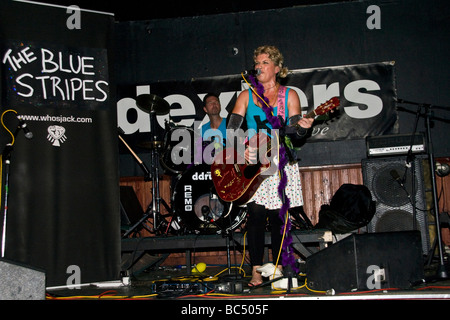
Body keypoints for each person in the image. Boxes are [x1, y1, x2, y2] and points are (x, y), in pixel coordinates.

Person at [226, 45, 314, 286]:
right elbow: (231, 129)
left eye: (264, 62)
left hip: (281, 162)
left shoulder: (290, 96)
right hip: (253, 164)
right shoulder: (246, 95)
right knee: (255, 216)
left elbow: (295, 135)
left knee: (279, 218)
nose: (259, 67)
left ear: (277, 68)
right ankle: (256, 270)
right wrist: (240, 148)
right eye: (257, 63)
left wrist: (303, 129)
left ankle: (275, 269)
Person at [200, 93, 227, 163]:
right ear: (205, 109)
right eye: (210, 103)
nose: (214, 105)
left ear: (220, 106)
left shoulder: (230, 124)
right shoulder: (203, 130)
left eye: (216, 102)